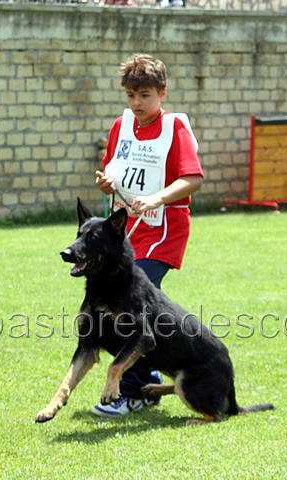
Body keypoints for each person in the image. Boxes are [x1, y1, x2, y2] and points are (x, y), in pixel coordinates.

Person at [93, 53, 204, 417]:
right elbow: (115, 179)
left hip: (164, 230)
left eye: (145, 95)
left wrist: (155, 198)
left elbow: (193, 179)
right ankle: (150, 381)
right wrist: (106, 185)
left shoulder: (175, 129)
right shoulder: (120, 127)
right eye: (131, 95)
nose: (137, 103)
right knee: (141, 313)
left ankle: (133, 392)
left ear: (162, 93)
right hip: (126, 234)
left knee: (129, 309)